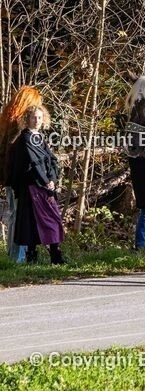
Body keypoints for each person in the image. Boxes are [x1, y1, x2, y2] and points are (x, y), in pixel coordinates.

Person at [6, 106, 65, 264]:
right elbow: (33, 163)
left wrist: (52, 178)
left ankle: (55, 255)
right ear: (27, 119)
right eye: (33, 117)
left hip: (44, 186)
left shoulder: (40, 137)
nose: (37, 121)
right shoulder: (25, 138)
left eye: (39, 117)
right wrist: (46, 181)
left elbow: (51, 160)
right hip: (33, 187)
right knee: (34, 222)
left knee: (51, 219)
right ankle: (34, 256)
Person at [1, 86, 43, 263]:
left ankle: (14, 256)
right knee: (20, 219)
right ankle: (18, 258)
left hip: (10, 180)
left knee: (14, 217)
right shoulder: (20, 129)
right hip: (21, 182)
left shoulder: (6, 124)